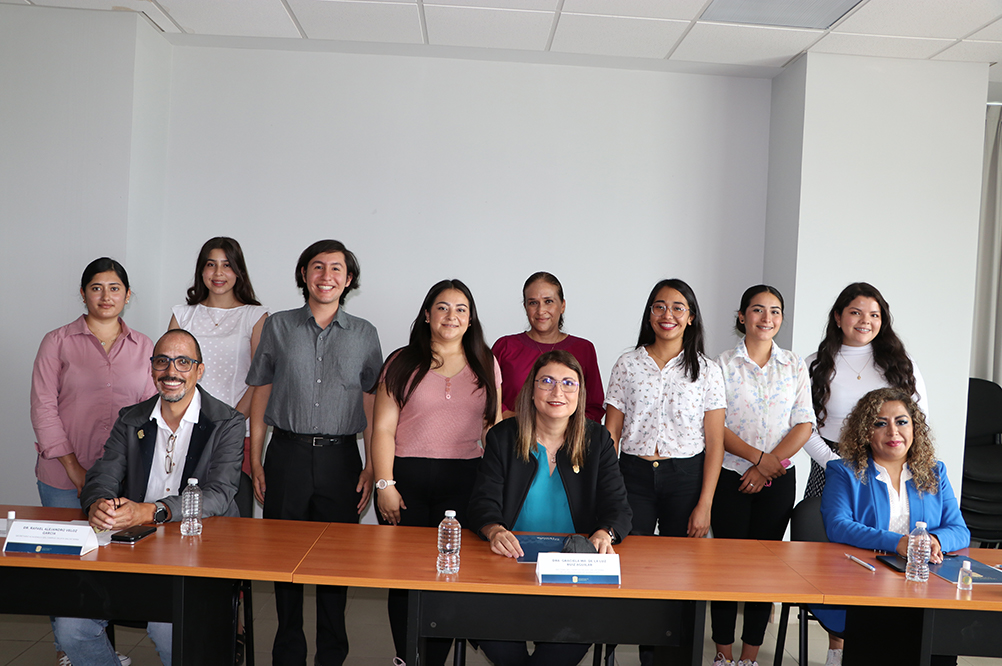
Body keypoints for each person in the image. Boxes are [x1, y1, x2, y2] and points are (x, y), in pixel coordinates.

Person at [55, 329, 245, 666]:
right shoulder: (131, 418)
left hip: (199, 550)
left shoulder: (226, 422)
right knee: (71, 627)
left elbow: (220, 494)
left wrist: (152, 511)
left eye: (183, 362)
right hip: (134, 550)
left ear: (199, 370)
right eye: (162, 361)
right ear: (152, 368)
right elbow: (102, 475)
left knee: (168, 627)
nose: (171, 371)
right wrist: (98, 504)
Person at [245, 239, 382, 666]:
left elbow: (372, 400)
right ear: (304, 275)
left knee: (335, 564)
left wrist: (372, 464)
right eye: (317, 267)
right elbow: (261, 391)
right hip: (286, 455)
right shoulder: (279, 326)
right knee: (283, 561)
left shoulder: (365, 333)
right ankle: (288, 653)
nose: (327, 276)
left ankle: (331, 655)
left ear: (349, 279)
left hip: (341, 460)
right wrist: (255, 457)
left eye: (336, 268)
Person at [468, 350, 632, 666]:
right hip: (508, 566)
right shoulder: (504, 436)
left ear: (580, 395)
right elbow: (481, 502)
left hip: (573, 573)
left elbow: (619, 507)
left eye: (568, 383)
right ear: (531, 391)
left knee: (563, 647)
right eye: (547, 381)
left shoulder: (597, 440)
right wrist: (494, 529)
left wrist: (604, 533)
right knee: (500, 643)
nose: (558, 392)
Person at [30, 257, 156, 666]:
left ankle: (94, 644)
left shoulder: (145, 346)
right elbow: (43, 407)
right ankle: (70, 648)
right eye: (96, 287)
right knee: (66, 565)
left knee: (111, 561)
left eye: (114, 288)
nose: (106, 296)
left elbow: (150, 413)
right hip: (62, 475)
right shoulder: (57, 341)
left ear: (128, 295)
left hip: (123, 480)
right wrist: (75, 470)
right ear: (83, 294)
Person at [372, 278, 500, 665]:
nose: (451, 316)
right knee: (404, 576)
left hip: (464, 481)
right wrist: (384, 483)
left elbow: (491, 428)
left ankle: (434, 660)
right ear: (427, 315)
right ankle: (405, 657)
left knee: (449, 576)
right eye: (442, 307)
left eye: (461, 309)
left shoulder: (485, 362)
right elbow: (383, 429)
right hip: (405, 481)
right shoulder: (401, 361)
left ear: (471, 319)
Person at [604, 278, 724, 666]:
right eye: (659, 306)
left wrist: (705, 504)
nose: (667, 314)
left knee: (682, 571)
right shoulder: (627, 364)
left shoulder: (707, 371)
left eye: (677, 307)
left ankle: (673, 656)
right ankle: (640, 651)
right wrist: (607, 490)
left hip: (685, 478)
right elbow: (611, 434)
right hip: (633, 476)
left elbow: (715, 444)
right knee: (633, 565)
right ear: (649, 314)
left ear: (690, 317)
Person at [819, 388, 969, 666]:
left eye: (901, 422)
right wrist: (897, 542)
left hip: (924, 582)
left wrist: (935, 540)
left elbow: (959, 530)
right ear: (865, 432)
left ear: (914, 428)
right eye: (880, 423)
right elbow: (838, 525)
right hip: (866, 580)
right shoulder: (844, 471)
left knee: (940, 635)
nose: (893, 431)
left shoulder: (935, 472)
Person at [710, 286, 815, 666]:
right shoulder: (721, 364)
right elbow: (715, 426)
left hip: (778, 480)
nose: (766, 318)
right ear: (742, 316)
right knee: (725, 567)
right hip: (730, 476)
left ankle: (750, 656)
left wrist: (769, 466)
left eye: (774, 311)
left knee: (764, 568)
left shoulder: (794, 364)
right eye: (757, 310)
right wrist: (758, 461)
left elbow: (804, 423)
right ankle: (723, 653)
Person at [169, 236, 268, 519]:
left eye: (227, 265)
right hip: (185, 432)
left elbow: (259, 382)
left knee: (231, 518)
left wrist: (227, 424)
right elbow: (170, 374)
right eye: (211, 264)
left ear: (238, 271)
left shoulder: (255, 316)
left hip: (235, 433)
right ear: (201, 270)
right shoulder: (183, 315)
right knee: (181, 515)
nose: (218, 273)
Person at [803, 282, 927, 499]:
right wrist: (833, 463)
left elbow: (919, 418)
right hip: (831, 465)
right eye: (855, 313)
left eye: (874, 315)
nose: (865, 321)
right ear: (838, 317)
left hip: (890, 466)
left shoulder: (902, 363)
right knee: (822, 521)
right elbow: (801, 424)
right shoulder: (815, 364)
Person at [491, 272, 604, 421]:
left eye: (548, 301)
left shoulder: (583, 349)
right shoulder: (505, 347)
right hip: (512, 432)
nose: (541, 311)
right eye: (533, 303)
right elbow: (486, 396)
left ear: (562, 306)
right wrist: (515, 419)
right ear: (525, 307)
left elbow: (593, 408)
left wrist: (559, 427)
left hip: (568, 435)